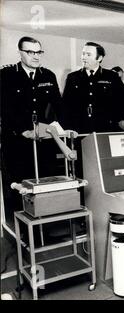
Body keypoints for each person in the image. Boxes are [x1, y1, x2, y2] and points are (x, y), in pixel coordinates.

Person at [0, 36, 62, 225]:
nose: (36, 56)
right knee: (23, 187)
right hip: (18, 143)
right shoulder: (6, 75)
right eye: (30, 52)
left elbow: (56, 106)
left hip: (43, 142)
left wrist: (56, 127)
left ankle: (47, 226)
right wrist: (21, 130)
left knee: (46, 183)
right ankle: (25, 231)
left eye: (38, 52)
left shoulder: (48, 75)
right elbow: (4, 109)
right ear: (19, 52)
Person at [62, 42, 124, 134]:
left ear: (99, 58)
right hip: (79, 130)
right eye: (83, 53)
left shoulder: (111, 76)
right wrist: (67, 128)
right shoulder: (73, 77)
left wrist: (123, 119)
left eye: (88, 54)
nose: (83, 57)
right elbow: (65, 106)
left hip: (105, 129)